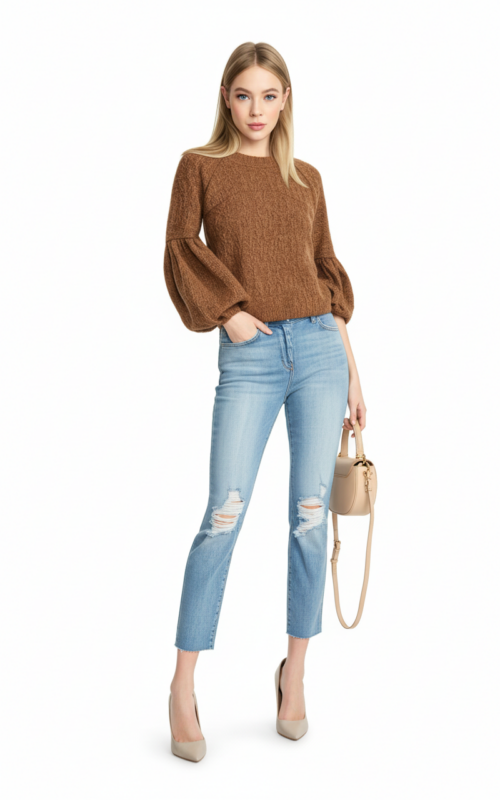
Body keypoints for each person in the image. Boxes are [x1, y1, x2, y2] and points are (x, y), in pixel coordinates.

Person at [163, 41, 367, 761]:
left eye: (270, 96)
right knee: (223, 514)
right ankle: (182, 684)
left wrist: (353, 372)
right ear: (227, 97)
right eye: (245, 94)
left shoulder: (306, 178)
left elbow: (324, 273)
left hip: (319, 351)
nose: (257, 109)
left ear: (286, 101)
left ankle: (295, 675)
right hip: (250, 354)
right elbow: (181, 245)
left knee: (310, 517)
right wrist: (229, 313)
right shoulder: (200, 166)